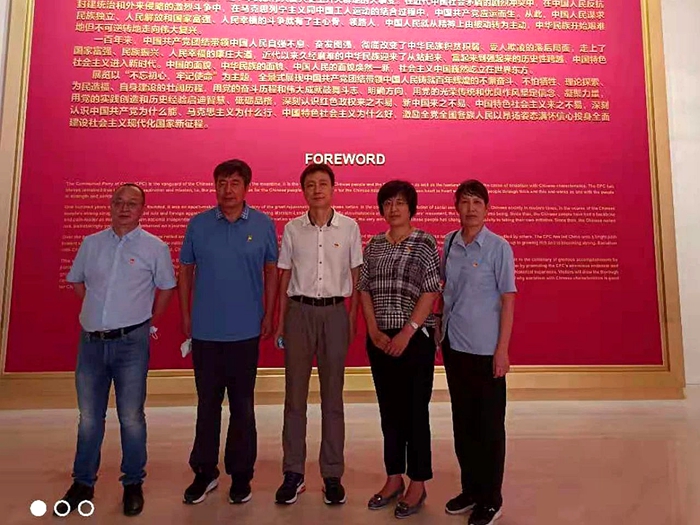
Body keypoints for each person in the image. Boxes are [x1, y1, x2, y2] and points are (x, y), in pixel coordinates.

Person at [57, 183, 176, 517]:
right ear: (110, 206)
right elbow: (77, 281)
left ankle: (133, 483)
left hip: (131, 344)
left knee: (131, 417)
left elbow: (167, 287)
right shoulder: (91, 243)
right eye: (118, 202)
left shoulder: (155, 247)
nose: (124, 208)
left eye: (132, 203)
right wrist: (99, 313)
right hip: (91, 343)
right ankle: (83, 482)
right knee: (89, 418)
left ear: (142, 209)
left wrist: (146, 320)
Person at [179, 159, 278, 506]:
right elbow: (186, 271)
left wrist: (269, 314)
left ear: (247, 187)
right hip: (206, 331)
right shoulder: (199, 224)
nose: (227, 189)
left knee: (242, 407)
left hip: (245, 331)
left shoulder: (263, 225)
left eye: (235, 183)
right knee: (207, 405)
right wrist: (186, 315)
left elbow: (272, 271)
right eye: (222, 182)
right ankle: (204, 472)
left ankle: (241, 475)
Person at [273, 163, 363, 505]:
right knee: (294, 396)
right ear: (303, 191)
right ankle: (293, 472)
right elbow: (284, 275)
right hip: (299, 312)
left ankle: (332, 474)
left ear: (333, 188)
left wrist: (351, 318)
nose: (317, 190)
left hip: (335, 313)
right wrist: (280, 321)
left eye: (323, 183)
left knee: (333, 397)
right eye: (310, 185)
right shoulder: (292, 229)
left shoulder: (350, 227)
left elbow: (357, 275)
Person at [357, 180, 441, 519]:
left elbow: (430, 290)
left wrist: (408, 331)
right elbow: (364, 288)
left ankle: (418, 482)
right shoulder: (374, 245)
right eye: (388, 203)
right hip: (379, 339)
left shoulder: (424, 242)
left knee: (415, 411)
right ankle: (394, 477)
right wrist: (373, 329)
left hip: (414, 339)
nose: (393, 208)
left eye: (400, 202)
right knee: (389, 411)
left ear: (411, 207)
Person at [439, 180, 516, 525]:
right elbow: (447, 293)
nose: (470, 209)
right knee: (463, 423)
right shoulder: (449, 243)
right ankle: (470, 489)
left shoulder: (499, 248)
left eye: (477, 203)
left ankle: (491, 498)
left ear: (487, 208)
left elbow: (508, 300)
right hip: (455, 346)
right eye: (465, 202)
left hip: (486, 350)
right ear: (456, 206)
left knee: (489, 427)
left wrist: (503, 350)